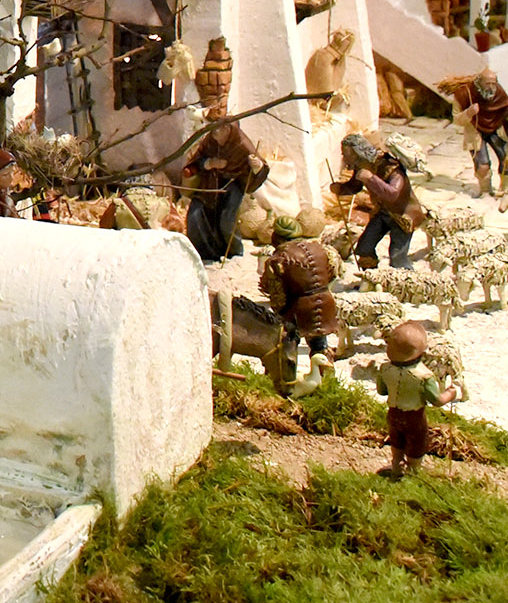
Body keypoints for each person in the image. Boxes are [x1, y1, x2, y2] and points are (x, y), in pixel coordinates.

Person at [259, 221, 340, 397]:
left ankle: (283, 385)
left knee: (287, 345)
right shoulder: (320, 249)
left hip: (298, 308)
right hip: (325, 302)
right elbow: (334, 270)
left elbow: (275, 290)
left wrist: (279, 311)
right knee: (320, 344)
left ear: (277, 237)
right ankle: (328, 385)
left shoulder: (278, 259)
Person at [178, 107, 265, 263]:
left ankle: (234, 251)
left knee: (226, 220)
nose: (215, 133)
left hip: (232, 186)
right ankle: (203, 252)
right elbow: (197, 161)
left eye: (218, 129)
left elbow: (258, 169)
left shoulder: (241, 145)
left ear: (228, 129)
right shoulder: (210, 141)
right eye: (213, 129)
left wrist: (257, 167)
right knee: (195, 214)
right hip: (209, 184)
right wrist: (208, 164)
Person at [371, 320, 457, 477]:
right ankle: (413, 470)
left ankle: (396, 465)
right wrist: (450, 394)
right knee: (417, 443)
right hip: (414, 417)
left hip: (393, 413)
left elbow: (381, 391)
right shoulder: (424, 376)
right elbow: (436, 401)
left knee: (397, 439)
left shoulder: (385, 369)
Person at [330, 133, 418, 269]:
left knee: (397, 257)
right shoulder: (362, 166)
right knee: (364, 247)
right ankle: (371, 276)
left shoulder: (391, 167)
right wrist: (341, 189)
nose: (344, 158)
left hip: (402, 216)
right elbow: (355, 186)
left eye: (346, 154)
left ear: (357, 153)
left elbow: (393, 194)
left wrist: (371, 179)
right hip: (382, 213)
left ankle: (405, 279)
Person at [456, 70, 508, 198]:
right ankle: (485, 192)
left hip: (496, 129)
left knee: (507, 160)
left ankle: (506, 190)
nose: (491, 87)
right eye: (487, 83)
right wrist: (468, 113)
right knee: (483, 167)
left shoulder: (499, 92)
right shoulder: (464, 94)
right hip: (476, 131)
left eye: (493, 83)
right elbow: (457, 119)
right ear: (479, 83)